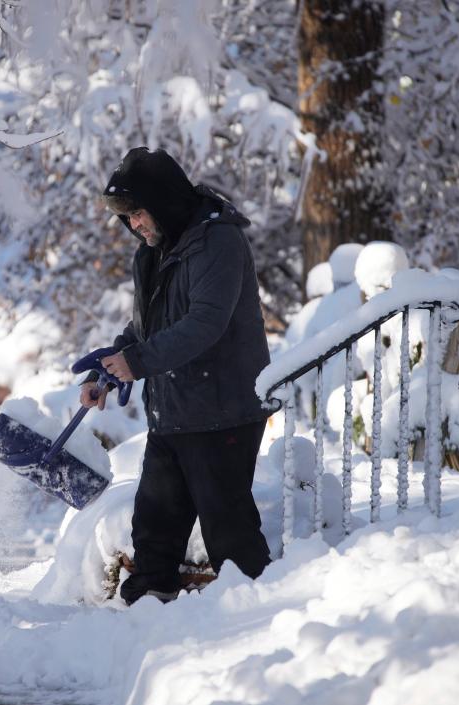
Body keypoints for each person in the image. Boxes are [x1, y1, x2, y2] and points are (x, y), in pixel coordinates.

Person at [79, 146, 274, 605]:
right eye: (127, 218)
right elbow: (152, 326)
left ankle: (257, 616)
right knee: (154, 530)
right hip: (173, 411)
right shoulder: (153, 251)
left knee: (230, 533)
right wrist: (113, 363)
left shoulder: (217, 242)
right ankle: (144, 612)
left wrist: (140, 362)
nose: (134, 225)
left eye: (139, 213)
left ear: (164, 200)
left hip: (223, 410)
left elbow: (205, 323)